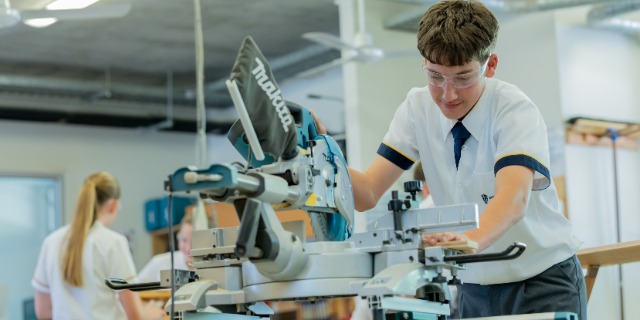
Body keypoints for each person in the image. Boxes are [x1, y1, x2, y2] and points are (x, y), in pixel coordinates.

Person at [313, 1, 586, 318]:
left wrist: (465, 240)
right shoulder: (416, 109)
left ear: (491, 64)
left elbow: (514, 198)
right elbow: (367, 193)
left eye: (462, 78)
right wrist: (320, 149)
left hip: (540, 280)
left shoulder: (513, 110)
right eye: (435, 76)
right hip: (474, 287)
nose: (448, 94)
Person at [31, 171, 165, 320]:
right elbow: (135, 315)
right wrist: (153, 314)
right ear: (114, 205)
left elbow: (43, 312)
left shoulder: (51, 242)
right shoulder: (113, 243)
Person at [137, 211, 213, 282]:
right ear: (178, 238)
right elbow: (133, 289)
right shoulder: (159, 263)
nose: (188, 248)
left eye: (195, 242)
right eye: (184, 240)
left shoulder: (217, 268)